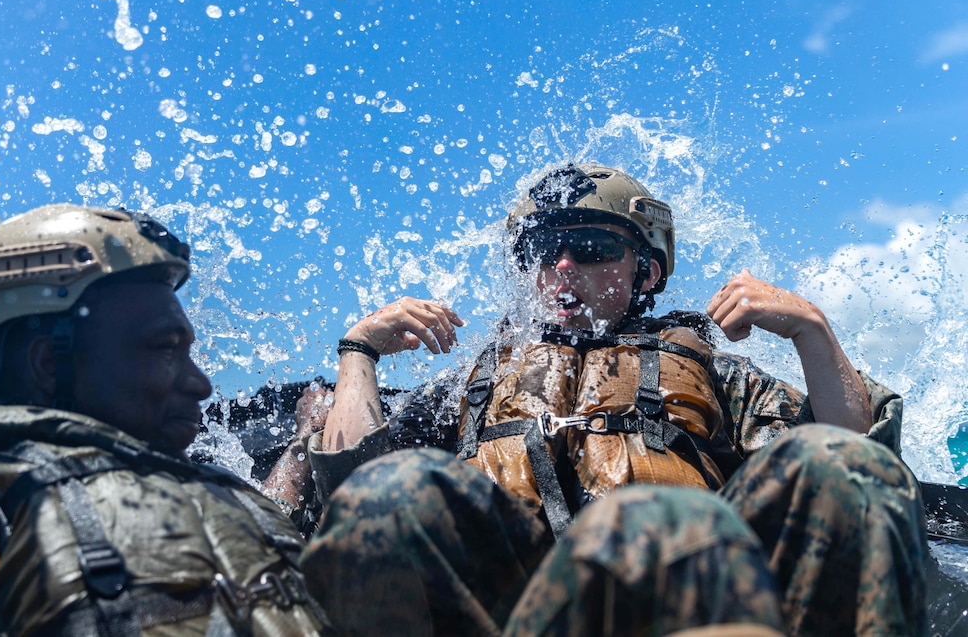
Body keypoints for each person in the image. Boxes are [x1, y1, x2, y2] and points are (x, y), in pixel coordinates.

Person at [298, 163, 928, 636]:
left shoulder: (711, 374)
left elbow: (850, 458)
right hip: (511, 612)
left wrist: (812, 330)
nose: (564, 267)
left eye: (593, 250)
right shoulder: (477, 377)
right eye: (547, 252)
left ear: (645, 271)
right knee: (393, 491)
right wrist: (359, 353)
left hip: (684, 600)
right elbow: (351, 489)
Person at [0, 204, 330, 635]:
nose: (201, 384)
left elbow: (254, 544)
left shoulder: (206, 488)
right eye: (164, 349)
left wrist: (304, 441)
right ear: (49, 365)